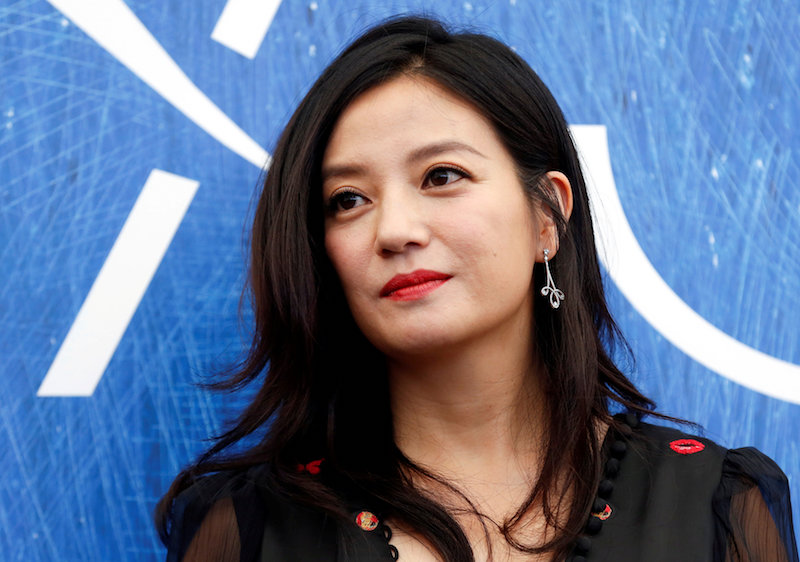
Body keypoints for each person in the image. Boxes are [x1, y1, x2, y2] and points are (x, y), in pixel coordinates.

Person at [156, 16, 798, 562]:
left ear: (546, 216)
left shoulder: (716, 505)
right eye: (348, 199)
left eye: (441, 175)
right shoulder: (248, 531)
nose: (395, 230)